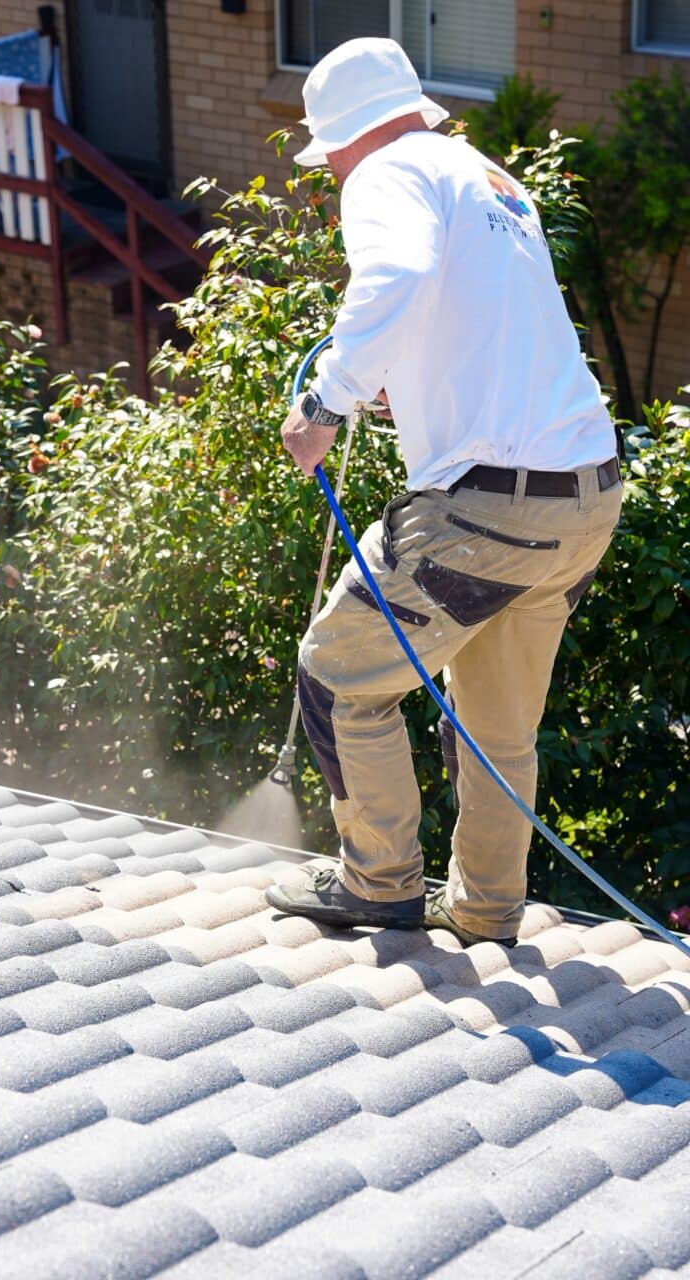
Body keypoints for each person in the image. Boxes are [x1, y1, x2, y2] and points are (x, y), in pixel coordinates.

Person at [264, 38, 622, 948]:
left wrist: (325, 404)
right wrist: (402, 376)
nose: (331, 166)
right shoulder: (492, 181)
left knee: (338, 674)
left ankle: (379, 881)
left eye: (327, 149)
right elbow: (480, 319)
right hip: (582, 500)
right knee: (497, 729)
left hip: (487, 511)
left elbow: (397, 277)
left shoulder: (384, 174)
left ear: (349, 134)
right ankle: (485, 909)